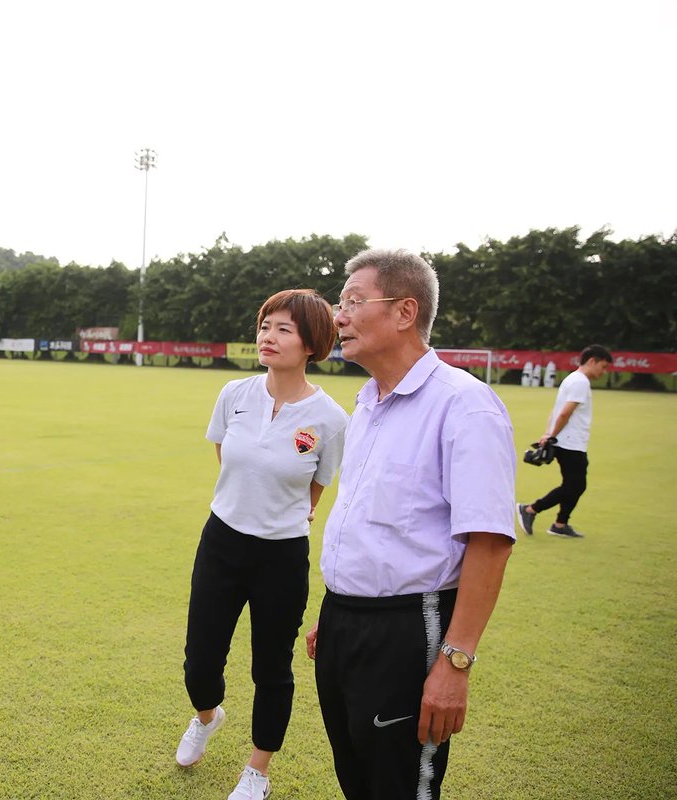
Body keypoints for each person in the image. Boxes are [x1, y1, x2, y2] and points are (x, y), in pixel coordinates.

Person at [305, 248, 516, 800]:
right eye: (338, 302)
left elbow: (490, 542)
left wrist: (455, 662)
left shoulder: (464, 405)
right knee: (356, 775)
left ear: (404, 311)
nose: (338, 316)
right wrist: (343, 607)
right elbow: (370, 515)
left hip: (410, 628)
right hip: (343, 620)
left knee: (397, 786)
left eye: (353, 301)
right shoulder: (369, 401)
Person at [175, 289, 348, 800]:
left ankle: (258, 770)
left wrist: (286, 511)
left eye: (284, 329)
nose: (268, 337)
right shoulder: (234, 394)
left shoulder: (331, 420)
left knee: (271, 667)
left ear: (312, 344)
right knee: (199, 661)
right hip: (222, 541)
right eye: (265, 326)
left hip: (281, 555)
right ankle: (207, 717)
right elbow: (227, 456)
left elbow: (318, 483)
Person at [517, 344, 614, 539]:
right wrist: (550, 435)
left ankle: (560, 524)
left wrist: (548, 434)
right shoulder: (581, 383)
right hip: (570, 443)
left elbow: (556, 410)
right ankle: (530, 509)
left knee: (575, 484)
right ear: (592, 360)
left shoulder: (572, 378)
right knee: (574, 485)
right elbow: (564, 412)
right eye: (603, 366)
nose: (603, 372)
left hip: (567, 441)